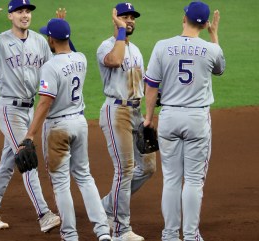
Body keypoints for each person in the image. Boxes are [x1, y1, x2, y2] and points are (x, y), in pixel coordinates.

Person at [0, 0, 62, 231]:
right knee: (26, 158)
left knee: (8, 162)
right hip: (9, 109)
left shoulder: (39, 42)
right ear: (10, 16)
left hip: (30, 110)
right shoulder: (1, 41)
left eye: (27, 11)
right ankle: (43, 214)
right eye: (19, 11)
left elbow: (51, 72)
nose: (25, 15)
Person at [20, 18, 111, 241]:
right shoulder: (81, 59)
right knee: (84, 176)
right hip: (80, 124)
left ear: (51, 39)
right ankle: (103, 231)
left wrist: (30, 134)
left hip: (58, 128)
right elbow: (71, 49)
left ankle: (70, 235)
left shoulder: (50, 67)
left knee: (61, 183)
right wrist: (63, 28)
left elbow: (44, 103)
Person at [143, 1, 226, 241]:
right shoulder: (211, 49)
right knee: (192, 181)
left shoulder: (162, 46)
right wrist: (215, 35)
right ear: (205, 23)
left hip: (169, 116)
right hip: (197, 118)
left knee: (170, 179)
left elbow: (151, 86)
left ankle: (169, 235)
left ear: (184, 18)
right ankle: (190, 236)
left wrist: (149, 118)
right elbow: (219, 69)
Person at [96, 2, 156, 241]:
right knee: (125, 170)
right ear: (115, 19)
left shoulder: (137, 50)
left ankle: (107, 205)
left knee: (148, 168)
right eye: (124, 17)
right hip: (116, 112)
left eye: (132, 17)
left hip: (136, 113)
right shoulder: (106, 46)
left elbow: (140, 84)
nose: (130, 20)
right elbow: (114, 60)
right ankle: (121, 230)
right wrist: (120, 31)